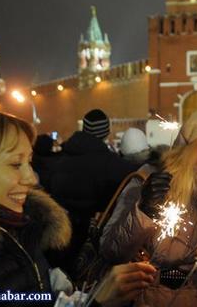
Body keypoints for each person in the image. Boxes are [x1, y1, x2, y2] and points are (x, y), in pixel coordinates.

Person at [0, 109, 157, 306]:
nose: (31, 178)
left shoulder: (20, 229)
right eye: (15, 164)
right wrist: (97, 303)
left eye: (29, 162)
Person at [100, 103, 197, 306]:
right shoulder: (150, 176)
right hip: (139, 297)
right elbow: (111, 250)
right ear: (195, 139)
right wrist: (144, 212)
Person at [46, 108, 137, 275]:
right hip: (92, 241)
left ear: (84, 129)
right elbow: (136, 177)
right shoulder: (112, 164)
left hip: (58, 237)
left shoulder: (58, 160)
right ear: (106, 132)